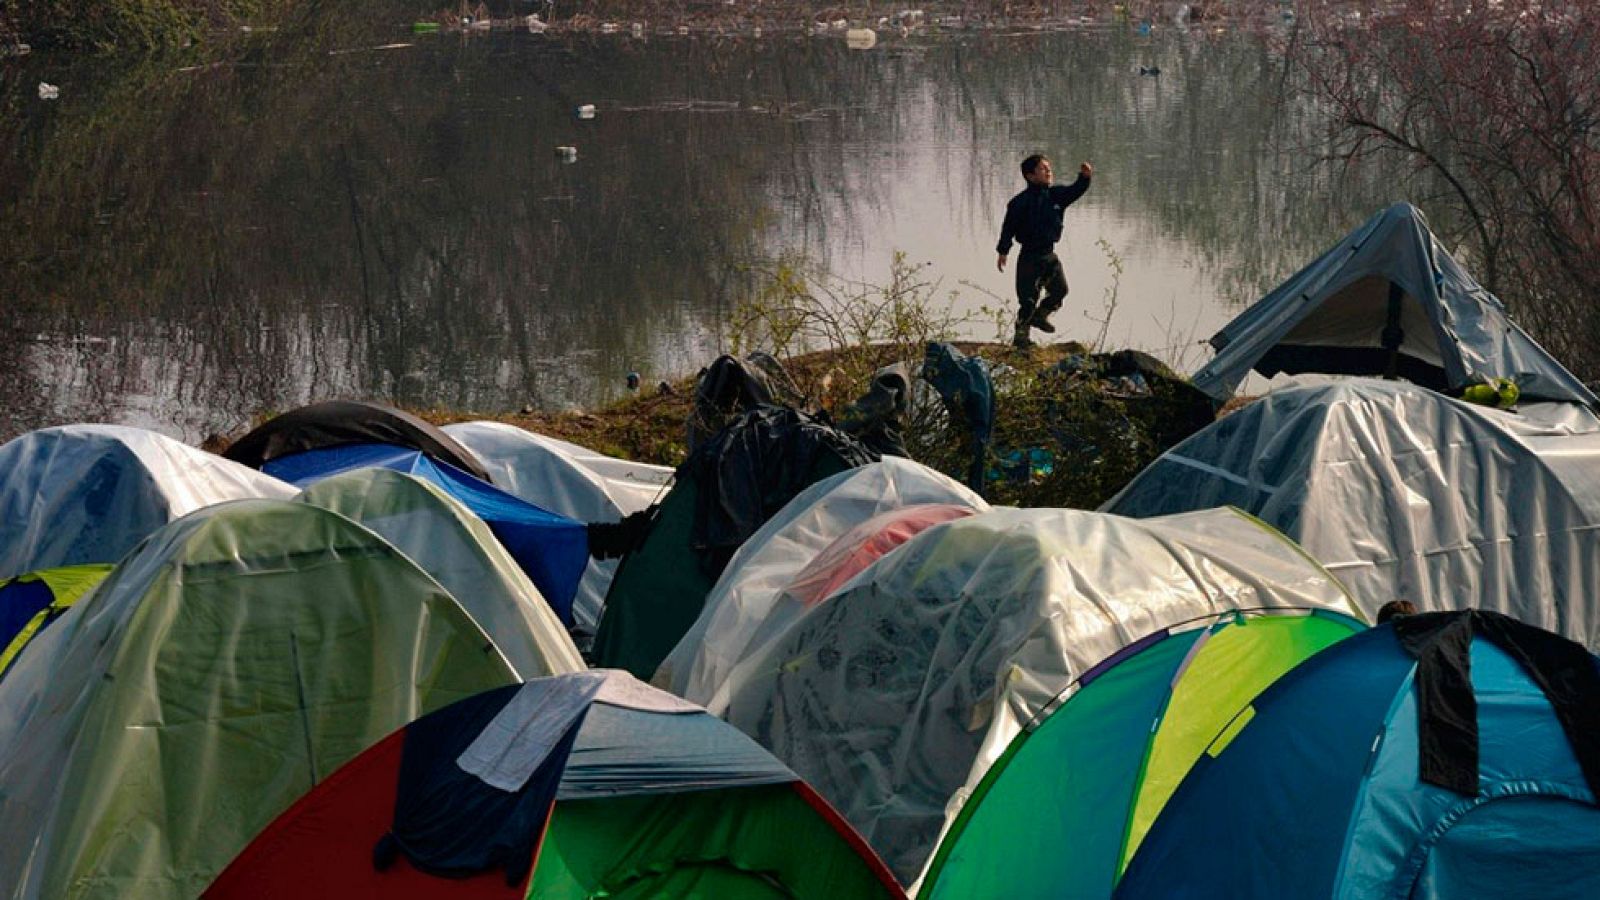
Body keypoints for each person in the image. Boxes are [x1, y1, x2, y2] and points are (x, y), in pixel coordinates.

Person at [996, 154, 1093, 348]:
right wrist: (1003, 251)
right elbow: (1008, 229)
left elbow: (1076, 190)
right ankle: (1021, 341)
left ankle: (1041, 316)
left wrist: (1084, 177)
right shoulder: (1019, 203)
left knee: (1060, 290)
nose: (1048, 171)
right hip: (1029, 257)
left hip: (1049, 256)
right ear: (1030, 176)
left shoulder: (1056, 195)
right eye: (1042, 169)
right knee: (1028, 301)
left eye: (1049, 168)